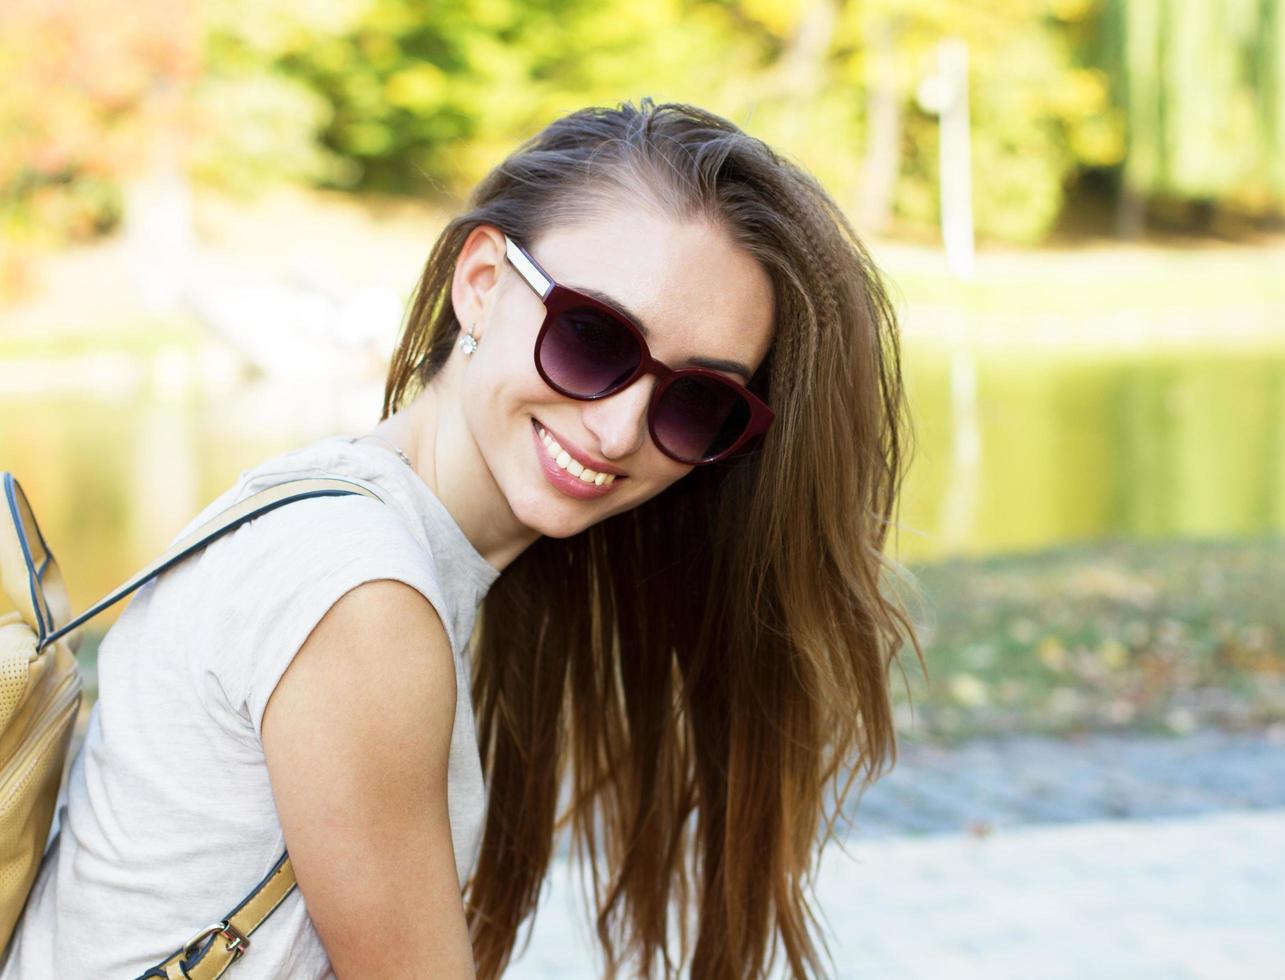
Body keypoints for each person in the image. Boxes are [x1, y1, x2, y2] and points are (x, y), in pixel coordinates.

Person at [0, 98, 919, 979]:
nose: (619, 431)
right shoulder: (361, 594)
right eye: (595, 340)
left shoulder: (351, 519)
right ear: (481, 286)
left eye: (696, 402)